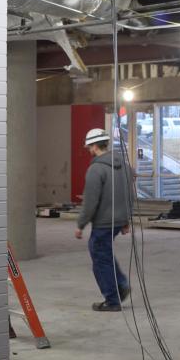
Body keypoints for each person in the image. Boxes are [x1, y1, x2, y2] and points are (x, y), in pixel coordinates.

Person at [74, 128, 133, 312]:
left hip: (103, 223)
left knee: (100, 259)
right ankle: (121, 285)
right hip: (117, 221)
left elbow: (91, 201)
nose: (88, 151)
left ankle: (112, 299)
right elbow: (128, 194)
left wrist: (81, 224)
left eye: (89, 147)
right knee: (105, 254)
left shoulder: (96, 169)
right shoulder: (124, 165)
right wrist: (125, 220)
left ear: (93, 146)